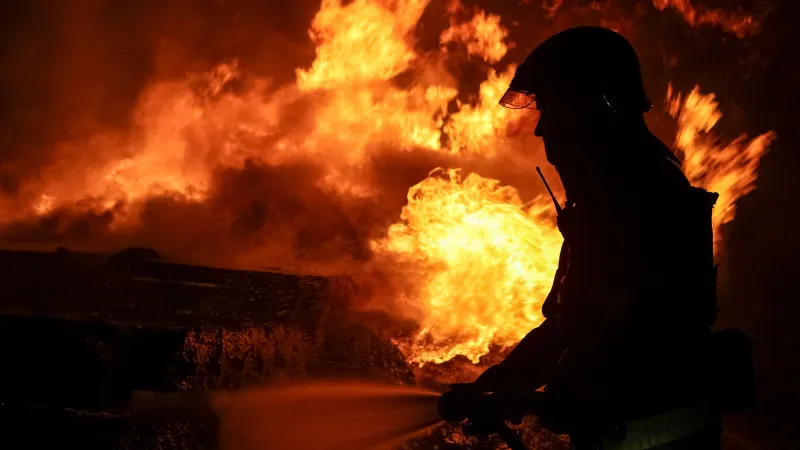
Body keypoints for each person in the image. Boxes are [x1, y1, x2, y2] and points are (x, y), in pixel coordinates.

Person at [453, 27, 726, 449]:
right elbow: (571, 325)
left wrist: (554, 395)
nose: (543, 130)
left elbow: (636, 340)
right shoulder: (609, 199)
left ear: (599, 108)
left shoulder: (642, 197)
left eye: (555, 111)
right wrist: (499, 385)